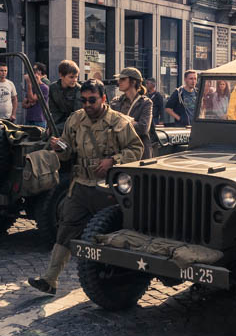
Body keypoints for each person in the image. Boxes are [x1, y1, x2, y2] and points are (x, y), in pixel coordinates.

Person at [27, 80, 143, 295]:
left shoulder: (119, 122)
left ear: (103, 98)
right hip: (80, 185)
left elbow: (136, 149)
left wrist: (113, 160)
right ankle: (50, 280)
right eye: (84, 100)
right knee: (66, 228)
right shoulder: (76, 119)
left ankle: (113, 285)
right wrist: (59, 147)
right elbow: (67, 152)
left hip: (108, 189)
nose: (87, 104)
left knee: (109, 235)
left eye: (92, 100)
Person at [110, 67, 153, 158]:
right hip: (119, 152)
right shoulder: (115, 102)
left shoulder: (145, 102)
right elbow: (109, 126)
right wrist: (131, 122)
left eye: (123, 79)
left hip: (140, 153)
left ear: (133, 82)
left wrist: (120, 123)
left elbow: (143, 128)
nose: (119, 82)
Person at [48, 59, 82, 131]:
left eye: (76, 77)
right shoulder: (53, 88)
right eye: (71, 77)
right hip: (58, 123)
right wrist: (53, 126)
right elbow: (53, 111)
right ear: (61, 75)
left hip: (75, 126)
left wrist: (57, 128)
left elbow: (77, 115)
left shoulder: (79, 90)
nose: (75, 80)